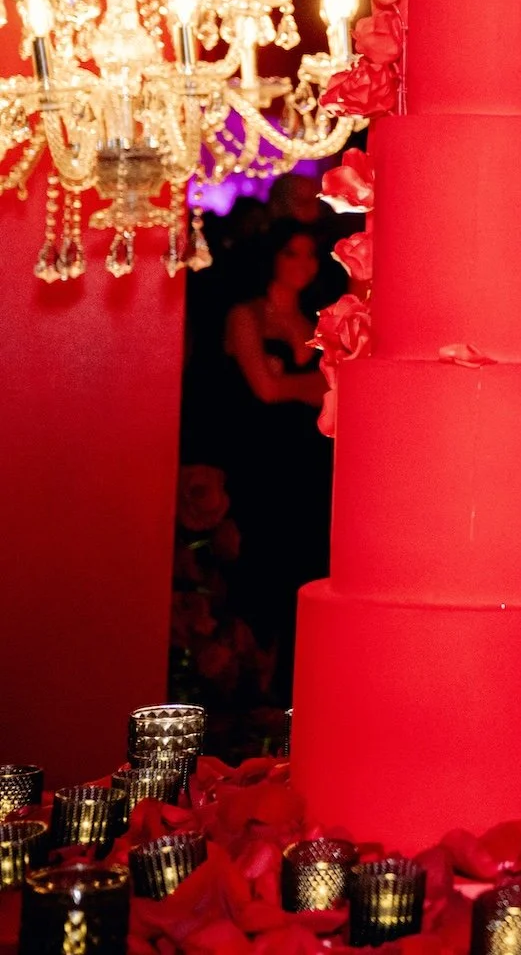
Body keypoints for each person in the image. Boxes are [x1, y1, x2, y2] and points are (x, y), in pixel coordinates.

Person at [221, 220, 334, 702]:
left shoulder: (316, 320)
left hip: (308, 460)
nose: (303, 263)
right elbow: (265, 390)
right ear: (272, 256)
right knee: (261, 563)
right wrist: (309, 388)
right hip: (261, 458)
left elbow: (335, 389)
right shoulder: (246, 314)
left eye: (310, 254)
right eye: (292, 252)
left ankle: (292, 690)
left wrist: (308, 389)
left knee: (303, 565)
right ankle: (252, 693)